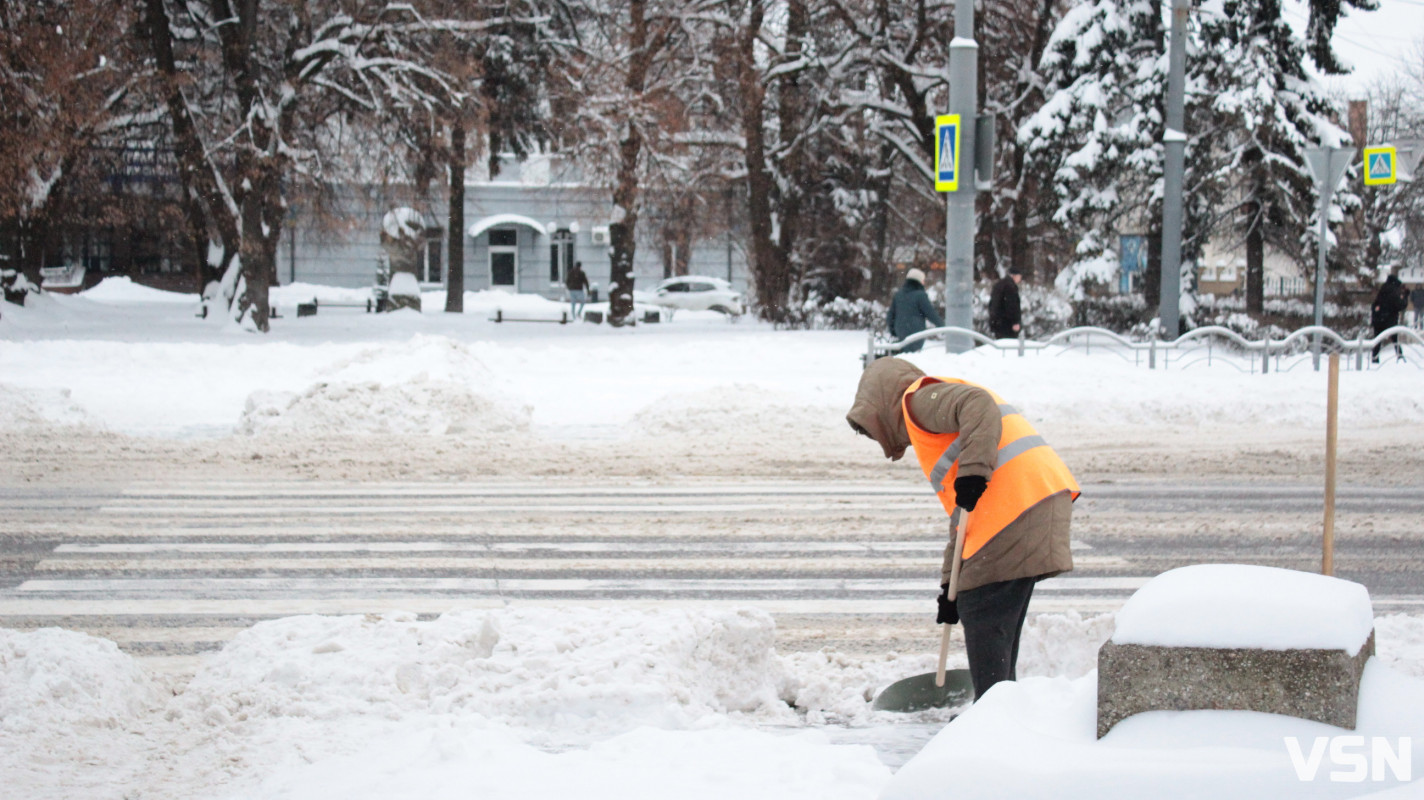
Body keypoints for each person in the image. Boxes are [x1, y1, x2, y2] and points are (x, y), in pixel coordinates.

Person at [846, 357, 1079, 700]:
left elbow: (977, 404)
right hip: (1031, 500)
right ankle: (1001, 704)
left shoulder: (917, 400)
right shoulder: (932, 424)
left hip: (1019, 504)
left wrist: (973, 471)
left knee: (983, 603)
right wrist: (949, 587)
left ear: (882, 403)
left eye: (872, 425)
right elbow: (964, 514)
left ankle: (993, 712)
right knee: (986, 609)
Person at [886, 268, 944, 353]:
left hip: (900, 334)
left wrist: (893, 331)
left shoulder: (898, 295)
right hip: (916, 335)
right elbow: (931, 314)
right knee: (913, 358)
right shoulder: (921, 296)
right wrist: (942, 326)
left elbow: (890, 316)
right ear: (919, 281)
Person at [1370, 274, 1410, 363]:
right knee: (1395, 339)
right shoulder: (1394, 291)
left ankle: (1374, 358)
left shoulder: (1383, 289)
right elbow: (1401, 305)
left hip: (1379, 320)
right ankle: (1399, 357)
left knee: (1377, 340)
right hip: (1390, 321)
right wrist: (1406, 296)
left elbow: (1376, 304)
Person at [988, 267, 1024, 341]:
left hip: (996, 321)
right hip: (1007, 323)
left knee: (1000, 344)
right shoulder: (1010, 287)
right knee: (1009, 345)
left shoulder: (998, 284)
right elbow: (1012, 305)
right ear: (1014, 276)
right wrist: (1015, 322)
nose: (1020, 279)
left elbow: (992, 303)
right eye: (1020, 277)